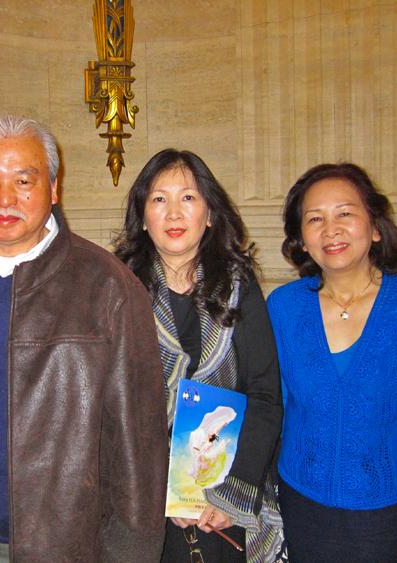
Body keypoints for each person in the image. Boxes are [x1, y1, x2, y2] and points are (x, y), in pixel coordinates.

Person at [0, 115, 168, 562]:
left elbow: (140, 445)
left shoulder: (108, 287)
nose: (5, 198)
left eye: (24, 180)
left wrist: (130, 551)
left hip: (72, 544)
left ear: (54, 188)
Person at [267, 163, 397, 563]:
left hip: (393, 519)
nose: (331, 229)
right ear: (302, 240)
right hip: (303, 512)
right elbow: (274, 410)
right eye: (315, 219)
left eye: (345, 213)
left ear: (375, 227)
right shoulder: (283, 309)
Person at [113, 149, 285, 563]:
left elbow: (264, 396)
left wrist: (230, 495)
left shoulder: (239, 286)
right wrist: (160, 494)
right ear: (142, 216)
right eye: (159, 199)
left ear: (209, 213)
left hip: (221, 501)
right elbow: (106, 405)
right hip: (141, 502)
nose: (173, 213)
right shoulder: (118, 288)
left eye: (188, 198)